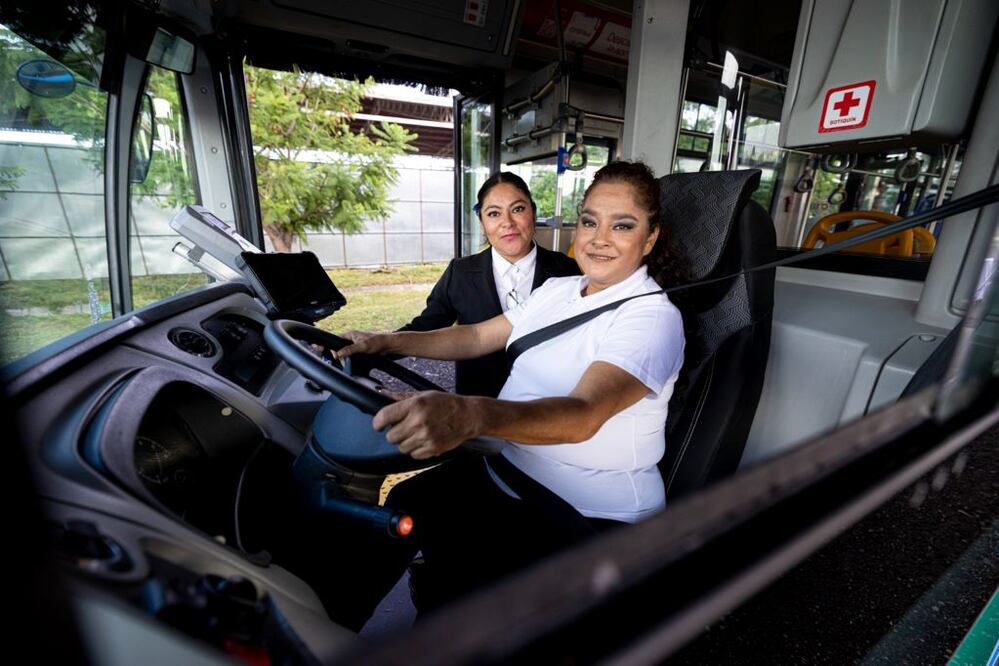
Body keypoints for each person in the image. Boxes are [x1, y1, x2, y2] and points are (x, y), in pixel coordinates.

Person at [339, 161, 686, 614]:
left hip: (582, 509)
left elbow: (583, 415)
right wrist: (385, 341)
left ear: (650, 238)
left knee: (469, 581)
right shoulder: (558, 290)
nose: (599, 239)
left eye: (622, 226)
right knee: (403, 504)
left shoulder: (652, 318)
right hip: (508, 469)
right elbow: (476, 336)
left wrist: (470, 414)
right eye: (589, 222)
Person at [399, 171, 579, 397]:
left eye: (518, 209)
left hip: (547, 404)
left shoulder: (568, 271)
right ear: (482, 222)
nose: (507, 223)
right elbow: (426, 327)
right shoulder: (460, 272)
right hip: (477, 403)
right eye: (494, 213)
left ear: (533, 213)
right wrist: (376, 346)